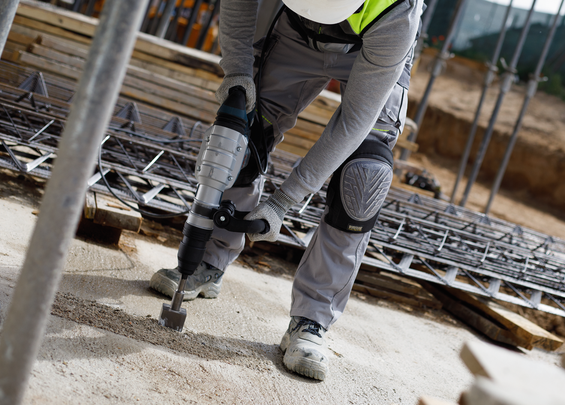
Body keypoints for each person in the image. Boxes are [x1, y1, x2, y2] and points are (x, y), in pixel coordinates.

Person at [150, 0, 423, 381]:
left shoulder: (397, 10)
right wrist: (238, 73)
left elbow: (354, 124)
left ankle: (312, 320)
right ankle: (208, 261)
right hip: (292, 29)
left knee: (364, 175)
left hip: (371, 44)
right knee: (242, 131)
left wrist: (283, 202)